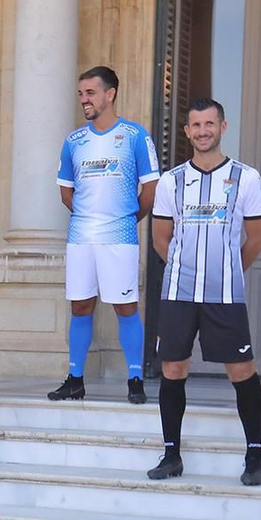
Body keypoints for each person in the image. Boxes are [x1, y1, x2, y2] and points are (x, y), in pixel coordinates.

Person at [147, 99, 261, 485]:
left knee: (242, 371)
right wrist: (186, 268)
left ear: (222, 127)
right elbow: (161, 238)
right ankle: (171, 454)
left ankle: (254, 456)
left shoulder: (246, 178)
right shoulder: (171, 181)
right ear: (187, 131)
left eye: (209, 124)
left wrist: (227, 269)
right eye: (196, 125)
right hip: (178, 294)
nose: (203, 131)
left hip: (225, 295)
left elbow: (256, 238)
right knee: (173, 369)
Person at [49, 66, 160, 404]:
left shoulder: (135, 135)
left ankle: (135, 379)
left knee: (126, 307)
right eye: (81, 94)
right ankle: (75, 379)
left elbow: (151, 190)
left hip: (120, 237)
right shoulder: (73, 141)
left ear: (110, 94)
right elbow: (66, 193)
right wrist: (90, 218)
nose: (84, 99)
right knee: (80, 306)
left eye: (90, 93)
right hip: (81, 237)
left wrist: (126, 218)